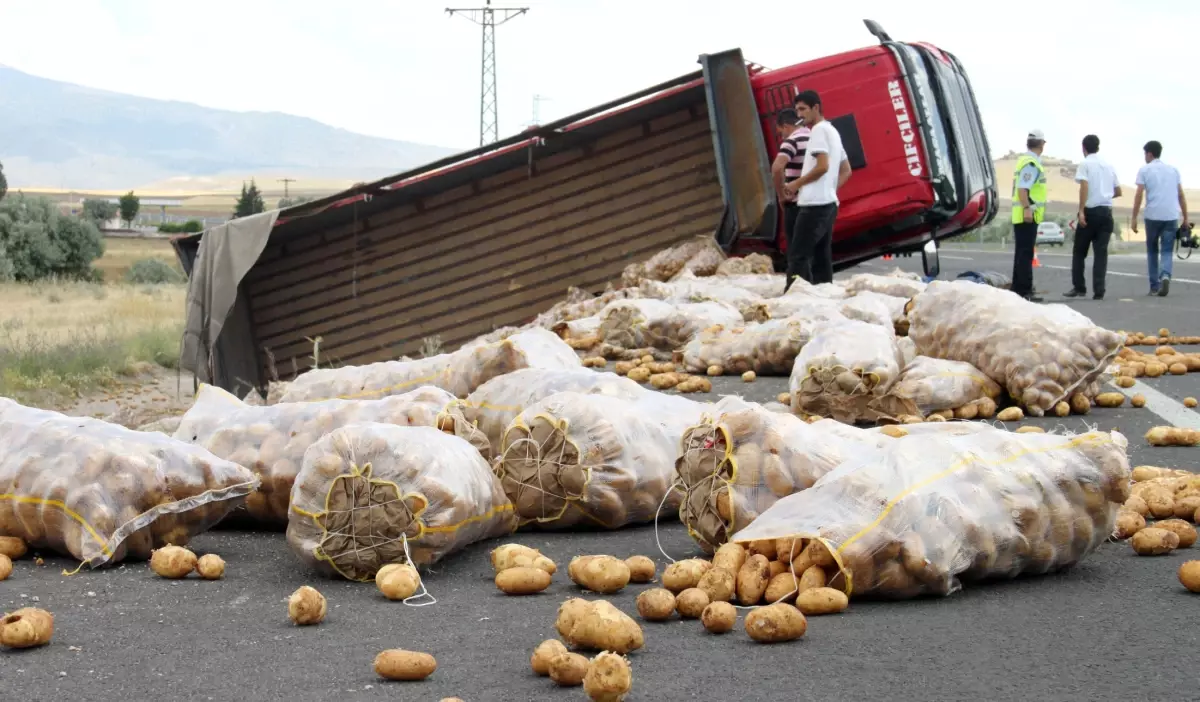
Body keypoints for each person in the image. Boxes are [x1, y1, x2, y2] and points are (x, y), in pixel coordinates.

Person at [781, 90, 851, 290]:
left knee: (798, 256)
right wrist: (829, 189)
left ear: (816, 108)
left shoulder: (818, 131)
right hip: (828, 203)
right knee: (821, 256)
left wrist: (795, 184)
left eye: (803, 109)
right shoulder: (833, 132)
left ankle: (795, 297)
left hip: (813, 205)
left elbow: (822, 166)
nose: (800, 115)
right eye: (797, 110)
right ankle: (824, 295)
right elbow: (846, 170)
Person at [1065, 134, 1121, 300]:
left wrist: (1081, 210)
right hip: (1106, 212)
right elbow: (1118, 191)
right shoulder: (1109, 165)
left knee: (1080, 251)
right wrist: (1104, 195)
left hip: (1091, 213)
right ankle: (1099, 290)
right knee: (1101, 253)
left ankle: (1079, 287)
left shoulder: (1085, 164)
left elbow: (1084, 186)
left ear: (1084, 148)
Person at [1132, 140, 1188, 297]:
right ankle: (1165, 276)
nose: (1144, 157)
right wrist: (1185, 217)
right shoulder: (1173, 170)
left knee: (1152, 250)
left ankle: (1154, 286)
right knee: (1167, 249)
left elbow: (1139, 194)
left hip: (1152, 216)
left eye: (1145, 154)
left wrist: (1134, 217)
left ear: (1149, 153)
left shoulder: (1144, 170)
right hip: (1171, 215)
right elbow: (1181, 195)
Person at [1011, 129, 1047, 302]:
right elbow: (1023, 188)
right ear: (1042, 144)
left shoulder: (1025, 160)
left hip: (1024, 213)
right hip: (1027, 214)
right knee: (1025, 254)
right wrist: (1027, 208)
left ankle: (1018, 289)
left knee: (1022, 253)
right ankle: (1024, 290)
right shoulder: (1031, 163)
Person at [771, 108, 811, 262]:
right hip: (815, 202)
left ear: (786, 126)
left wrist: (782, 196)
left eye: (781, 132)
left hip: (796, 204)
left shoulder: (792, 141)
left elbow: (777, 168)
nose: (782, 137)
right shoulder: (813, 136)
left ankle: (798, 283)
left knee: (796, 253)